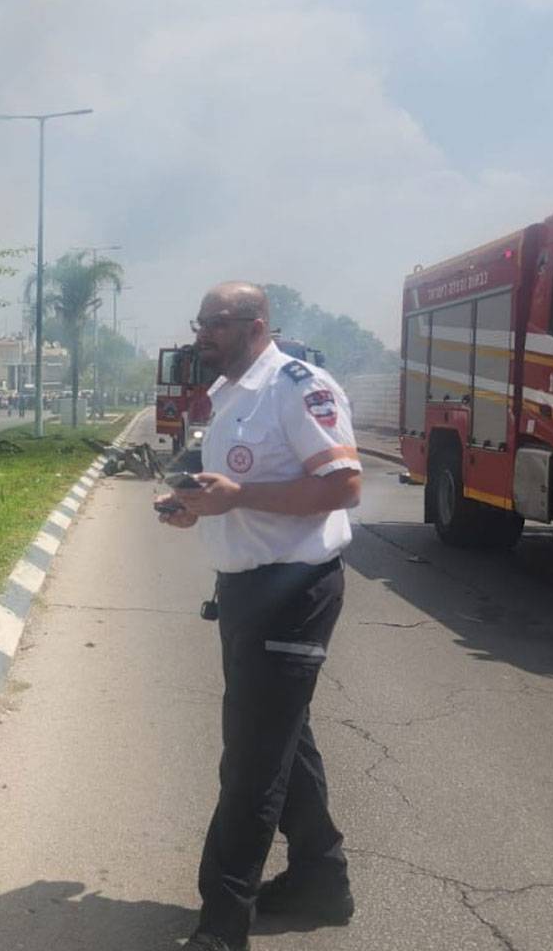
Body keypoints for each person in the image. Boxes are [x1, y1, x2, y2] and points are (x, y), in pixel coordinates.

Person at [156, 282, 360, 951]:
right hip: (246, 591)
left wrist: (238, 495)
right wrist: (200, 507)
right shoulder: (229, 396)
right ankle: (320, 882)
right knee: (283, 741)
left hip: (293, 591)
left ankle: (222, 925)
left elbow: (342, 485)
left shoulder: (297, 386)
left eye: (219, 322)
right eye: (201, 320)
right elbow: (235, 495)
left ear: (256, 323)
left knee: (250, 761)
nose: (203, 334)